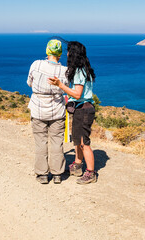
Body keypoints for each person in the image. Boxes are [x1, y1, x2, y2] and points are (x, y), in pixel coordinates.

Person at [48, 41, 97, 184]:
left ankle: (91, 173)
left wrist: (60, 85)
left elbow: (77, 94)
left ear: (73, 54)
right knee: (77, 140)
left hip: (84, 110)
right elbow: (77, 95)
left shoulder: (79, 72)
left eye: (69, 51)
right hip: (81, 108)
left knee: (84, 143)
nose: (67, 53)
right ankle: (77, 165)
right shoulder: (82, 70)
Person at [27, 39, 68, 184]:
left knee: (40, 142)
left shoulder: (36, 64)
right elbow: (66, 88)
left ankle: (42, 174)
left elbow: (29, 82)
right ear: (60, 53)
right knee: (57, 142)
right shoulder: (65, 70)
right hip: (57, 109)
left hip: (38, 109)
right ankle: (57, 174)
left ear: (47, 50)